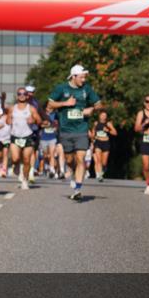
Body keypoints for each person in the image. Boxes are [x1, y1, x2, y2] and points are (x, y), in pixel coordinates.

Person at [48, 64, 102, 201]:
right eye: (82, 77)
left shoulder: (87, 89)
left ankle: (77, 189)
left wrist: (91, 109)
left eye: (85, 77)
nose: (84, 80)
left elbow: (99, 104)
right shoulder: (61, 88)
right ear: (74, 76)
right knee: (70, 160)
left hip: (81, 130)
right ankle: (72, 172)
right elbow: (50, 105)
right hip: (65, 131)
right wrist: (65, 104)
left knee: (80, 158)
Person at [7, 87, 42, 190]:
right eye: (19, 94)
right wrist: (9, 120)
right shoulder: (12, 108)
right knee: (15, 158)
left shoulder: (31, 108)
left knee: (26, 160)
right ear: (17, 96)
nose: (21, 95)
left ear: (27, 95)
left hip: (28, 136)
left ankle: (25, 180)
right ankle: (16, 165)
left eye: (24, 94)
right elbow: (8, 121)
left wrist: (34, 120)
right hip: (15, 136)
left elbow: (39, 120)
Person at [89, 110, 117, 182]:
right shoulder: (96, 123)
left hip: (106, 143)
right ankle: (99, 175)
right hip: (98, 142)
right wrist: (92, 138)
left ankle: (102, 171)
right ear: (99, 116)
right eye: (102, 115)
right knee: (98, 160)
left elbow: (115, 133)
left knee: (104, 162)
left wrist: (108, 130)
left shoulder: (108, 124)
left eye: (105, 116)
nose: (103, 117)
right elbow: (93, 133)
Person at [38, 107, 60, 179]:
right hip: (43, 138)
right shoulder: (42, 115)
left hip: (52, 138)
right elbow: (40, 124)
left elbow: (56, 125)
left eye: (50, 107)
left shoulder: (55, 114)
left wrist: (53, 125)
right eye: (47, 107)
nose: (49, 109)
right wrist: (46, 125)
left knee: (52, 154)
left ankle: (52, 170)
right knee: (46, 156)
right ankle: (48, 167)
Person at [0, 93, 11, 179]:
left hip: (7, 139)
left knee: (5, 154)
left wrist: (3, 100)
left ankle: (4, 170)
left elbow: (6, 107)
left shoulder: (9, 117)